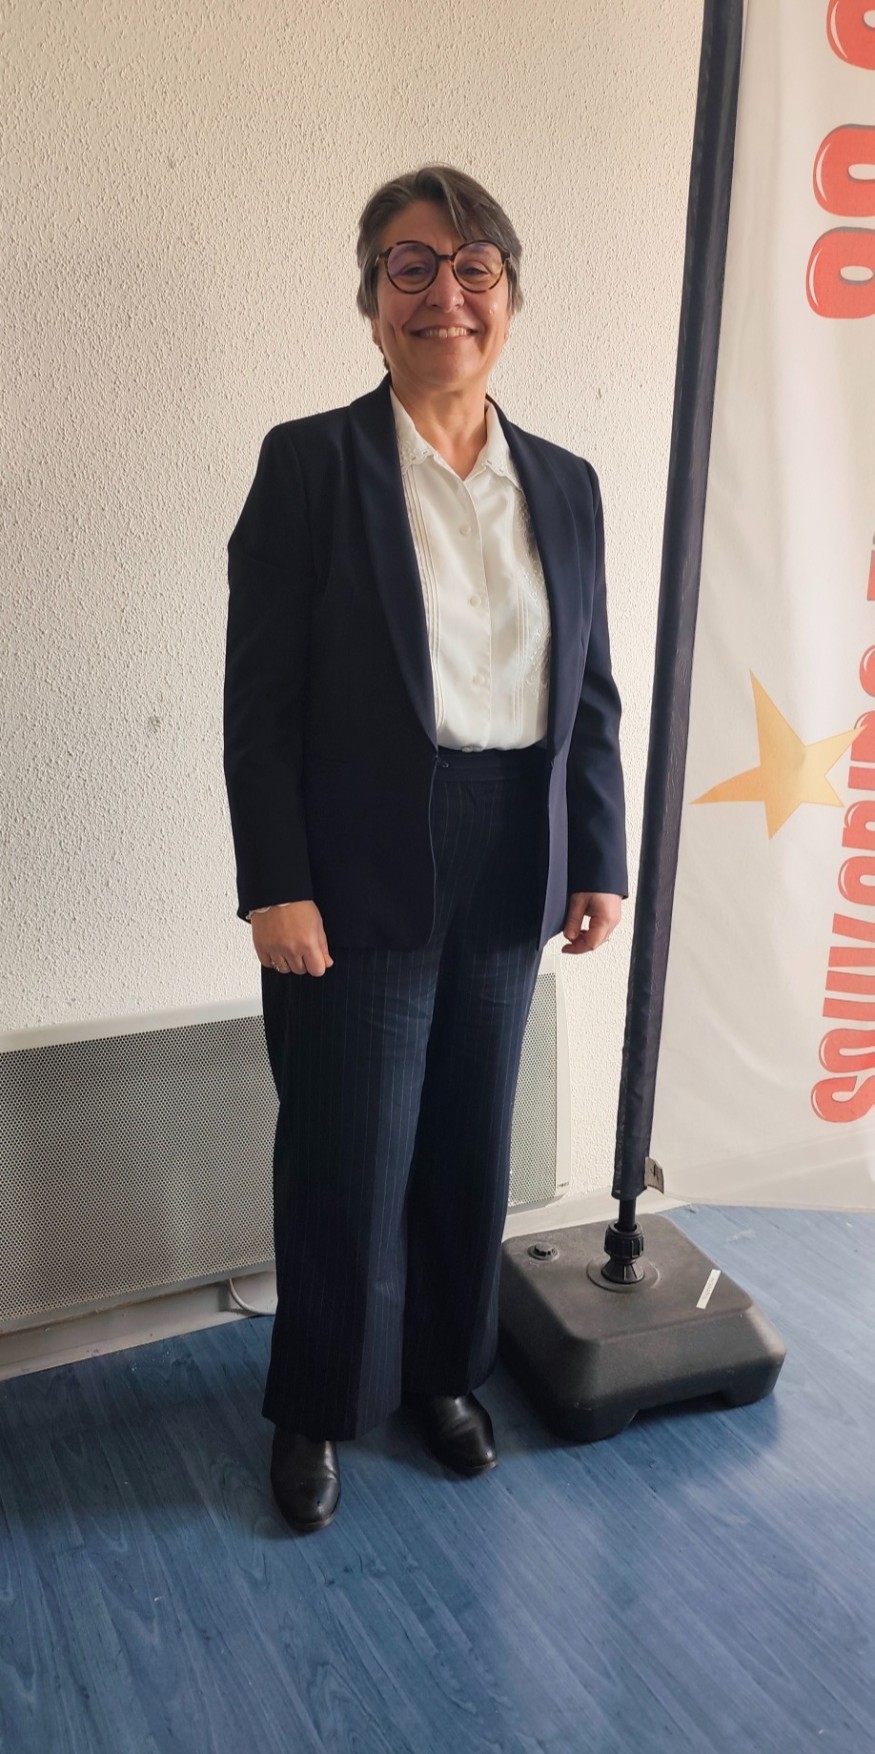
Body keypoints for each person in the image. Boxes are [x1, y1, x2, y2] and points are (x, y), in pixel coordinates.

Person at [223, 165, 627, 1534]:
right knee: (348, 1153)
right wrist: (277, 882)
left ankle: (446, 1376)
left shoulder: (564, 483)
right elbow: (260, 703)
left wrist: (598, 850)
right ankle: (318, 1405)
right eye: (410, 266)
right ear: (372, 301)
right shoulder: (310, 465)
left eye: (473, 268)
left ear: (507, 298)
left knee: (467, 1140)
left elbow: (590, 691)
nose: (443, 294)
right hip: (355, 865)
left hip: (512, 849)